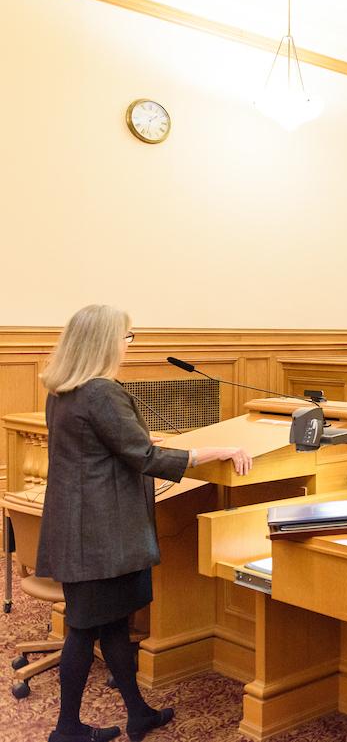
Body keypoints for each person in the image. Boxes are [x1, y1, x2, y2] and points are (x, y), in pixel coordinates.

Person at [37, 305, 252, 742]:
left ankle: (137, 713)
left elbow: (98, 445)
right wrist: (213, 451)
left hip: (82, 527)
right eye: (127, 336)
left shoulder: (63, 389)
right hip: (101, 534)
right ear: (104, 342)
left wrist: (141, 437)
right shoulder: (101, 391)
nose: (128, 344)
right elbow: (145, 458)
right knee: (83, 627)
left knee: (113, 621)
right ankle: (66, 729)